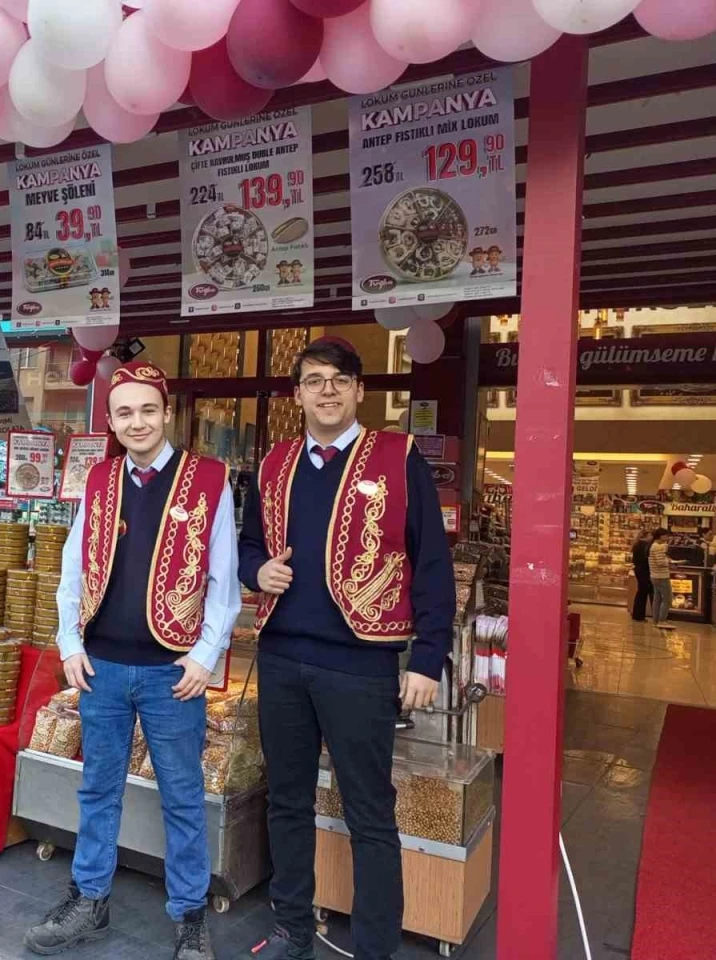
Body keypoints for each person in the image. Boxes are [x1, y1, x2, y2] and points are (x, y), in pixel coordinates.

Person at [238, 337, 455, 960]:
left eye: (339, 379)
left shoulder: (397, 456)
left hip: (361, 663)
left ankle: (376, 946)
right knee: (286, 800)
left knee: (369, 811)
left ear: (360, 390)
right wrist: (258, 572)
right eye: (314, 380)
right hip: (283, 658)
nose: (327, 390)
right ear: (298, 394)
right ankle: (292, 929)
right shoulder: (275, 463)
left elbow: (431, 561)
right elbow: (249, 544)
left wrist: (428, 657)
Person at [24, 361, 242, 960]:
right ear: (112, 421)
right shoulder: (99, 479)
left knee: (182, 795)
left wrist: (206, 654)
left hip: (173, 671)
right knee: (98, 789)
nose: (137, 421)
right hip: (103, 667)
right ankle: (89, 899)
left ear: (166, 413)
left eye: (148, 409)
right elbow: (74, 568)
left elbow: (223, 578)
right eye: (124, 412)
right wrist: (71, 643)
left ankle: (190, 915)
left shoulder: (208, 479)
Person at [649, 528, 675, 629]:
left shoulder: (653, 546)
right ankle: (662, 620)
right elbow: (660, 562)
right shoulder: (658, 547)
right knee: (667, 599)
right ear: (661, 536)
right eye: (666, 536)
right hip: (662, 576)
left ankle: (656, 620)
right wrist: (670, 562)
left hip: (655, 576)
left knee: (657, 599)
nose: (668, 538)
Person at [630, 528, 655, 622]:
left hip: (639, 570)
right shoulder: (645, 545)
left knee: (641, 592)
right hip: (644, 571)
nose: (652, 537)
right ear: (647, 536)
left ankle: (637, 615)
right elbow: (647, 559)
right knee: (644, 592)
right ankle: (641, 615)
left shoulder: (637, 544)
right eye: (651, 535)